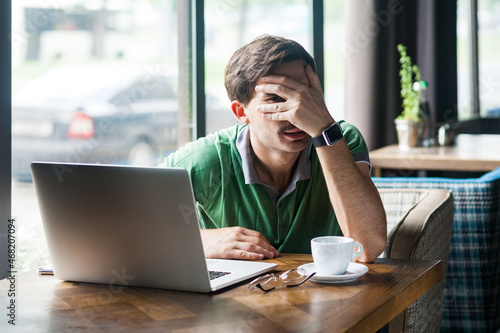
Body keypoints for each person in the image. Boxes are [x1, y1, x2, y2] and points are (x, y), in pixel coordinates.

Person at [160, 35, 387, 262]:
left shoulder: (341, 140)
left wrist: (324, 130)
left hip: (326, 296)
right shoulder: (209, 158)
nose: (297, 112)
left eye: (305, 96)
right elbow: (129, 222)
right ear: (241, 112)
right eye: (276, 98)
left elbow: (367, 246)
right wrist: (202, 241)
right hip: (234, 297)